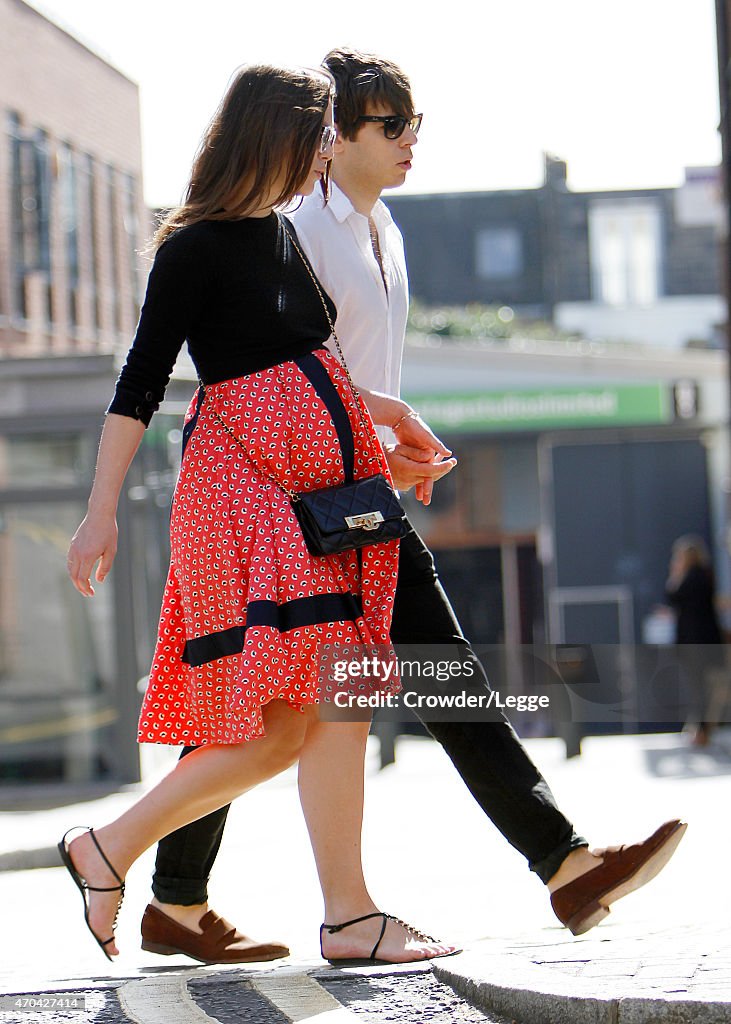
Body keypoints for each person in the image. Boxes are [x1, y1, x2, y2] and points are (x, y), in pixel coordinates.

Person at [138, 49, 687, 963]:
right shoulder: (296, 228)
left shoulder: (381, 226)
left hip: (356, 486)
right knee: (367, 689)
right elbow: (272, 373)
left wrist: (390, 446)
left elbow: (349, 374)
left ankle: (178, 899)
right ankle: (558, 864)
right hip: (301, 497)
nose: (408, 142)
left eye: (414, 124)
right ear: (330, 140)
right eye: (388, 126)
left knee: (326, 694)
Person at [60, 63, 458, 967]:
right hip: (238, 500)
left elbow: (306, 369)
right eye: (317, 134)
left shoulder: (283, 236)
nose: (326, 151)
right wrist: (99, 515)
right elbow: (139, 386)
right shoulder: (194, 247)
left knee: (319, 701)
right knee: (284, 715)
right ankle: (326, 909)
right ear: (273, 134)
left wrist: (385, 426)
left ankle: (115, 852)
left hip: (308, 495)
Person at [666, 535, 726, 747]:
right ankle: (702, 729)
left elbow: (673, 595)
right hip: (704, 638)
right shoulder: (705, 575)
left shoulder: (692, 577)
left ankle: (701, 731)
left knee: (699, 686)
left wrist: (676, 573)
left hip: (696, 641)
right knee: (703, 686)